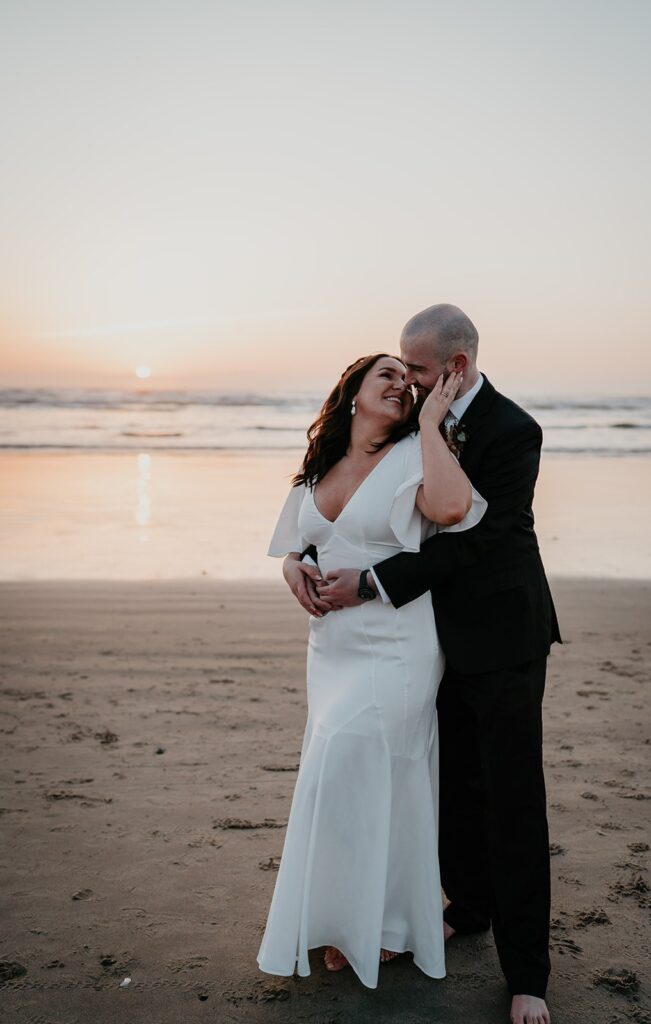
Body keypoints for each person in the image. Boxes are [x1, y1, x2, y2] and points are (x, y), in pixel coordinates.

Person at [306, 304, 562, 1024]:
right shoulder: (404, 427)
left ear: (453, 365)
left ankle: (526, 976)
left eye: (415, 368)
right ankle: (468, 907)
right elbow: (351, 501)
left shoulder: (514, 432)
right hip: (422, 641)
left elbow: (476, 540)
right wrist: (306, 559)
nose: (407, 380)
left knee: (511, 801)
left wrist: (373, 586)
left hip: (502, 637)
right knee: (449, 786)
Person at [257, 352, 488, 989]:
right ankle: (338, 914)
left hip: (397, 640)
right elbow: (297, 543)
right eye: (383, 374)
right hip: (331, 645)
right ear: (352, 392)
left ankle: (385, 922)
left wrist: (435, 423)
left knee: (373, 763)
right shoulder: (318, 465)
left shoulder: (417, 452)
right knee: (339, 772)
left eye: (405, 379)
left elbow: (448, 510)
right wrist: (291, 569)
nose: (399, 384)